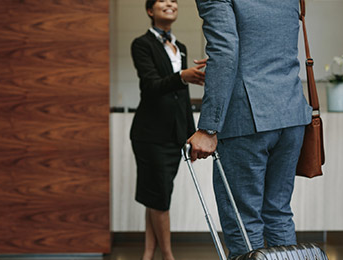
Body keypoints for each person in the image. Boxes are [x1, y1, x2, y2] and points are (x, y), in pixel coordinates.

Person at [187, 0, 313, 258]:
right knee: (278, 213)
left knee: (244, 219)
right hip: (291, 112)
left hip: (247, 117)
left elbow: (224, 50)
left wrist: (208, 127)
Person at [130, 1, 207, 259]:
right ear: (150, 10)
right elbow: (151, 86)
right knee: (160, 195)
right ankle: (168, 255)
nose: (170, 4)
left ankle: (148, 254)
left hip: (173, 134)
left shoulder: (180, 48)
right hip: (150, 134)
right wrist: (182, 76)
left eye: (174, 0)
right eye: (163, 0)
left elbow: (181, 97)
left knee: (156, 195)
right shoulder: (142, 44)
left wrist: (191, 132)